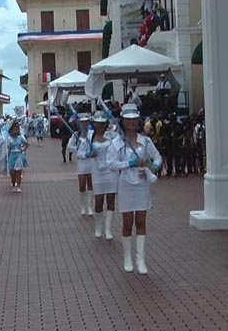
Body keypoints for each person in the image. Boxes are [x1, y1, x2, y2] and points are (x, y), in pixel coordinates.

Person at [105, 104, 162, 274]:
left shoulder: (145, 141)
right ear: (123, 121)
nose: (131, 122)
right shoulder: (116, 143)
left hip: (142, 185)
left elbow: (157, 157)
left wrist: (153, 166)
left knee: (141, 221)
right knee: (128, 223)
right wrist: (128, 164)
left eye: (134, 119)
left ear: (138, 121)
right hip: (126, 185)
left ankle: (140, 259)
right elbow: (111, 164)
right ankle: (127, 258)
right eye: (128, 120)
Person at [88, 112, 116, 240]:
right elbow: (81, 150)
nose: (100, 125)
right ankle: (98, 226)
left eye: (103, 123)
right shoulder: (90, 136)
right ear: (94, 124)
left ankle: (108, 229)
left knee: (111, 200)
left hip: (111, 172)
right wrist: (89, 153)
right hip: (97, 173)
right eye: (98, 123)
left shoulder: (112, 135)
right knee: (98, 201)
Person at [67, 113, 94, 216]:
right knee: (82, 185)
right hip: (82, 162)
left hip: (91, 161)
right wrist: (78, 150)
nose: (84, 124)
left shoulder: (92, 133)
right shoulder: (76, 135)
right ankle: (83, 205)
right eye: (82, 122)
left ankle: (89, 206)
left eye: (86, 122)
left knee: (90, 184)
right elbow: (69, 147)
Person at [7, 121, 29, 193]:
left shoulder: (20, 137)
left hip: (19, 155)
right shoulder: (8, 138)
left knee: (19, 171)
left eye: (16, 130)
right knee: (12, 172)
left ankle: (18, 186)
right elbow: (8, 149)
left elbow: (27, 144)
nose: (15, 131)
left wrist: (22, 149)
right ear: (11, 130)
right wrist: (8, 158)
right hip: (12, 155)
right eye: (14, 130)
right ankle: (13, 185)